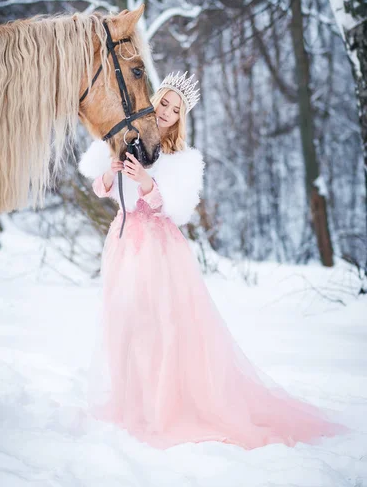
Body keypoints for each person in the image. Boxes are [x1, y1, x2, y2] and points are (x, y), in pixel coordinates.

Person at [78, 70, 349, 450]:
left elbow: (175, 210)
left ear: (181, 117)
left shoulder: (182, 157)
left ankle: (165, 406)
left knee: (160, 325)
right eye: (164, 103)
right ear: (154, 100)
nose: (167, 112)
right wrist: (113, 169)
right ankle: (133, 401)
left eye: (175, 109)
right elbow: (100, 188)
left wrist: (145, 181)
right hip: (122, 243)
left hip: (158, 249)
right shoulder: (126, 136)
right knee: (124, 322)